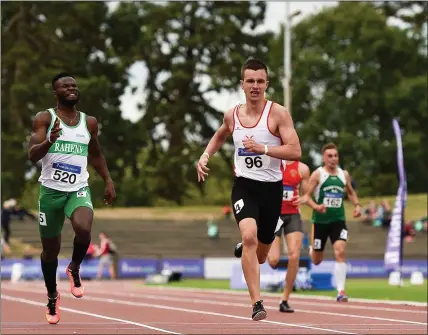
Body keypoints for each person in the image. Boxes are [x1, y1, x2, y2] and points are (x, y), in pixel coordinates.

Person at [196, 58, 301, 321]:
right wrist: (205, 155)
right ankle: (256, 303)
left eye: (260, 81)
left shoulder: (278, 114)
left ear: (267, 84)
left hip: (271, 189)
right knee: (250, 237)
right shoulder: (232, 114)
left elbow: (295, 151)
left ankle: (247, 247)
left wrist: (263, 148)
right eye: (250, 81)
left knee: (262, 255)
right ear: (242, 84)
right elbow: (221, 134)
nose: (255, 86)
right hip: (244, 186)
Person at [27, 72, 116, 324]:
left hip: (78, 188)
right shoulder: (45, 118)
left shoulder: (89, 123)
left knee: (84, 229)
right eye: (65, 86)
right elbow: (32, 155)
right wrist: (49, 141)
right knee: (50, 251)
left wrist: (108, 180)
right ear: (55, 92)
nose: (71, 89)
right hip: (50, 193)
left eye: (74, 85)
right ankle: (52, 296)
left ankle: (74, 267)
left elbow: (96, 154)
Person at [300, 143, 360, 302]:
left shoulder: (344, 174)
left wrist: (357, 205)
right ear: (324, 158)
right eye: (330, 156)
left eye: (336, 155)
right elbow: (306, 197)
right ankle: (313, 247)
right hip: (320, 222)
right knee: (316, 260)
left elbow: (351, 193)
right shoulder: (318, 174)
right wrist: (316, 206)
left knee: (340, 250)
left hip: (338, 220)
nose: (333, 159)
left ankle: (341, 291)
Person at [267, 160, 321, 313]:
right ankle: (259, 242)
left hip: (292, 215)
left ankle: (284, 299)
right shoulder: (271, 161)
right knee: (273, 261)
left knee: (294, 255)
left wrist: (308, 201)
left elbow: (306, 195)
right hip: (273, 215)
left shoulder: (302, 168)